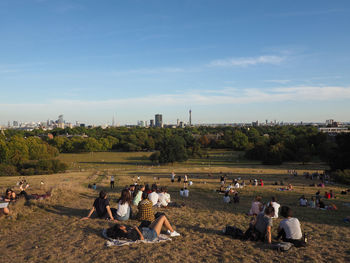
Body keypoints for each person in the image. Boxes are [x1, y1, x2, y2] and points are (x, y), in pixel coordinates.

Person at [106, 214, 180, 241]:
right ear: (120, 229)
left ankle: (170, 230)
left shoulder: (127, 230)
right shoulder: (128, 235)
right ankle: (172, 232)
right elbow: (142, 238)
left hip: (147, 229)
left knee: (158, 218)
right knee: (163, 217)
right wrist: (136, 229)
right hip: (152, 234)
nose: (123, 225)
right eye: (121, 226)